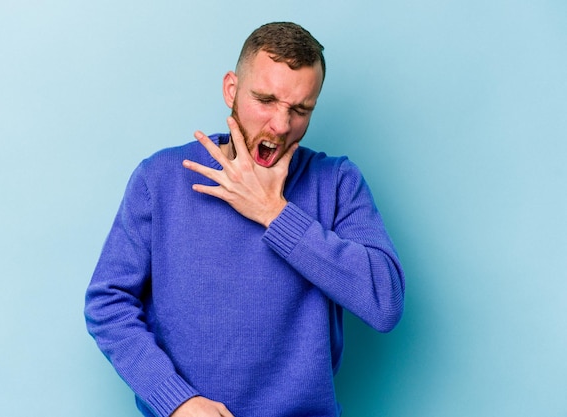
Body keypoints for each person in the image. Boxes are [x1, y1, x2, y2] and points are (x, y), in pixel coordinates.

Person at [85, 21, 405, 417]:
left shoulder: (337, 181)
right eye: (266, 100)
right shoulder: (161, 177)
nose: (281, 125)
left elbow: (385, 303)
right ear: (231, 90)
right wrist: (176, 400)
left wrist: (274, 212)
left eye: (300, 110)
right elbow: (108, 303)